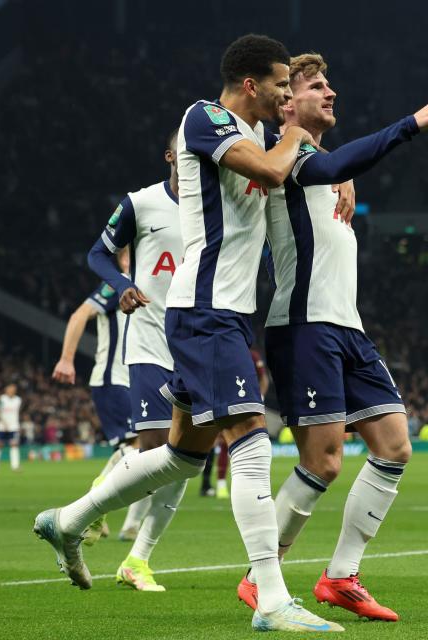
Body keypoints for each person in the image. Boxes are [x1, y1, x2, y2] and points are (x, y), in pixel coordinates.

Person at [34, 33, 344, 633]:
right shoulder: (204, 119)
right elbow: (275, 172)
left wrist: (329, 167)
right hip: (204, 310)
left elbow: (298, 171)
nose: (287, 95)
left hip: (222, 315)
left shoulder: (257, 133)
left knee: (181, 456)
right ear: (250, 84)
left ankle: (68, 520)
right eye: (280, 84)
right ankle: (272, 598)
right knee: (252, 435)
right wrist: (296, 134)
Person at [236, 53, 428, 622]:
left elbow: (336, 166)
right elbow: (323, 167)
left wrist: (344, 167)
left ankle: (340, 578)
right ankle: (264, 576)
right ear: (288, 102)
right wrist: (408, 125)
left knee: (393, 446)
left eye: (330, 83)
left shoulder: (323, 161)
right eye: (315, 86)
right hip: (304, 325)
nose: (330, 93)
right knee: (325, 462)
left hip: (346, 326)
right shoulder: (287, 154)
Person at [83, 129, 186, 591]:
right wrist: (122, 285)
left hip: (200, 348)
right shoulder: (140, 203)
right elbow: (98, 252)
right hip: (149, 343)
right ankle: (89, 509)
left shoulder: (224, 202)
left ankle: (137, 559)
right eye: (183, 148)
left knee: (189, 458)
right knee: (154, 453)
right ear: (169, 155)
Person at [52, 248, 147, 543]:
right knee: (137, 448)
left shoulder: (150, 280)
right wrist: (67, 359)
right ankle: (92, 509)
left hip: (137, 380)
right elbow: (80, 315)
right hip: (112, 379)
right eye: (126, 252)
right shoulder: (114, 284)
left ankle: (124, 522)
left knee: (150, 451)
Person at [200, 348, 270, 499]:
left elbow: (263, 379)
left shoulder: (252, 355)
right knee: (219, 443)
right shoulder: (225, 351)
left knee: (250, 443)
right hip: (225, 402)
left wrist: (261, 398)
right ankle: (214, 484)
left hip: (249, 404)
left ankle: (246, 486)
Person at [0, 384, 22, 472]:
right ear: (6, 390)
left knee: (14, 444)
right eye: (10, 389)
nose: (12, 391)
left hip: (13, 426)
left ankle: (15, 466)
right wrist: (3, 422)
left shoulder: (18, 400)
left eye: (13, 390)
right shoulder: (1, 399)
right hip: (2, 426)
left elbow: (16, 413)